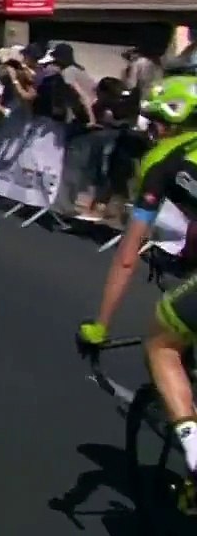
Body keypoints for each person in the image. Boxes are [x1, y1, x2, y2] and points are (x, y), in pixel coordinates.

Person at [78, 76, 197, 505]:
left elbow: (128, 255)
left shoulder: (163, 161)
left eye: (157, 122)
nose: (154, 130)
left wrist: (100, 326)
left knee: (162, 346)